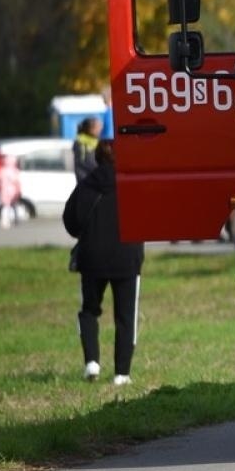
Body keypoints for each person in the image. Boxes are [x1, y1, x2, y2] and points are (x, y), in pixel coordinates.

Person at [63, 141, 145, 386]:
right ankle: (122, 374)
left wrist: (87, 235)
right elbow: (146, 216)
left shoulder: (86, 185)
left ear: (97, 158)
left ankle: (92, 363)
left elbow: (70, 220)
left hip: (91, 259)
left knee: (89, 311)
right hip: (127, 258)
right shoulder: (133, 186)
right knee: (125, 317)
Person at [73, 116, 102, 182]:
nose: (100, 129)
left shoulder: (97, 141)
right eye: (98, 127)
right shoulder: (81, 142)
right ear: (90, 129)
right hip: (86, 181)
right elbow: (86, 162)